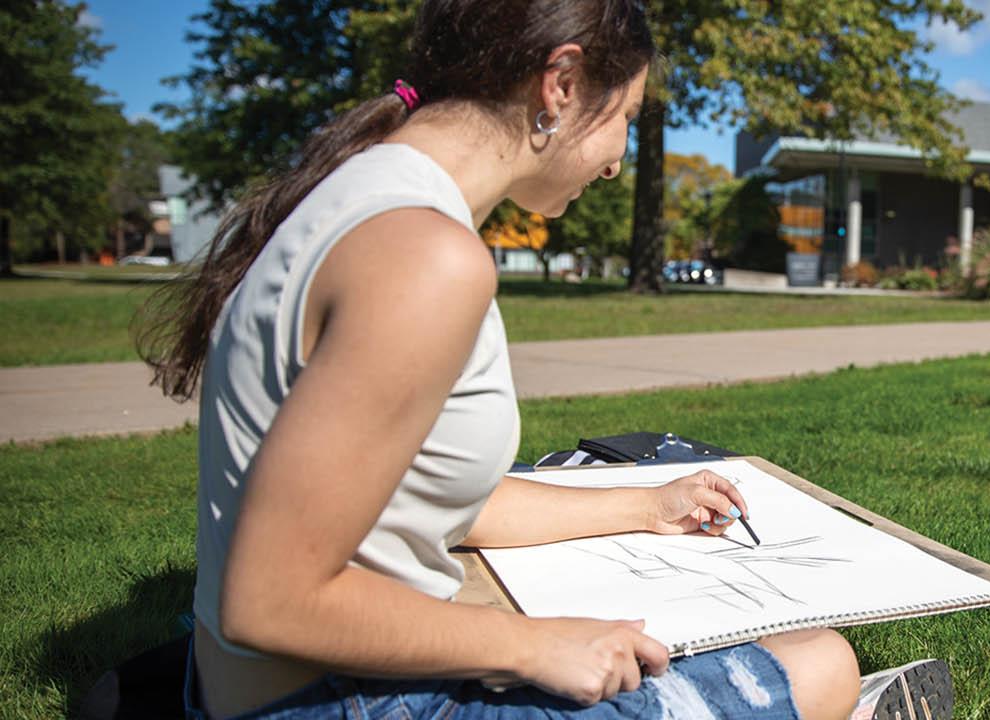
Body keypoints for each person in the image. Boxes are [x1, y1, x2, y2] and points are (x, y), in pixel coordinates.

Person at [136, 1, 879, 717]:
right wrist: (529, 645)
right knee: (819, 662)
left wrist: (648, 505)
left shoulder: (361, 198)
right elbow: (270, 599)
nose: (621, 160)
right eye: (624, 118)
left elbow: (420, 496)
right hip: (350, 704)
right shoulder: (425, 257)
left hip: (270, 688)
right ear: (560, 85)